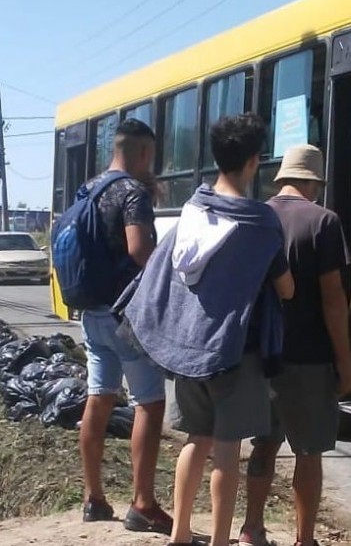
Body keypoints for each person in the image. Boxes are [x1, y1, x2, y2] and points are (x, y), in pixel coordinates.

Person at [117, 113, 295, 546]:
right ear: (254, 161)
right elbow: (285, 289)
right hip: (238, 353)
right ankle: (218, 540)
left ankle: (179, 533)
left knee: (196, 441)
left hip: (188, 352)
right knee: (229, 448)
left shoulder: (192, 211)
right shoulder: (259, 224)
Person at [239, 144, 351, 546]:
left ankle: (252, 528)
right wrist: (346, 363)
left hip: (259, 356)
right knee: (309, 452)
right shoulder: (324, 222)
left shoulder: (255, 217)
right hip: (309, 357)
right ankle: (304, 539)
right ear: (313, 182)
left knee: (263, 444)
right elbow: (334, 300)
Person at [77, 118, 172, 534]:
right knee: (150, 404)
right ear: (144, 152)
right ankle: (143, 504)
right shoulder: (132, 192)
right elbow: (138, 249)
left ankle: (93, 498)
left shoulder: (89, 188)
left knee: (99, 398)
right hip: (126, 316)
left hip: (92, 313)